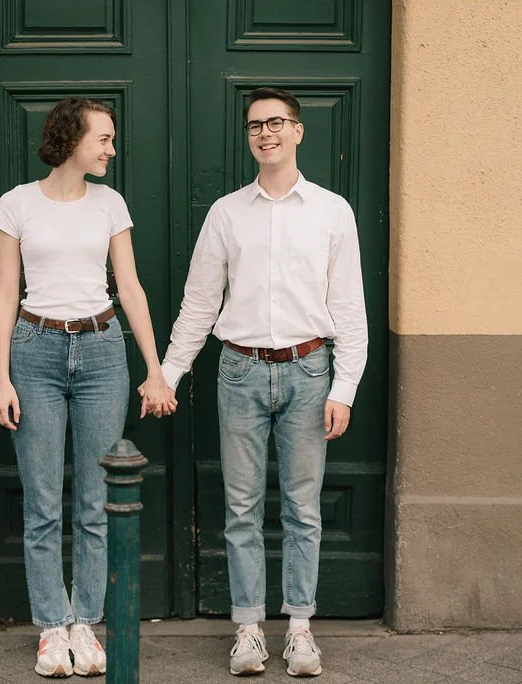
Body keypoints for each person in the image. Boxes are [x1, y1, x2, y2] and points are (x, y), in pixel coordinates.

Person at [157, 87, 368, 677]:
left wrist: (344, 387)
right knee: (242, 506)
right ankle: (248, 630)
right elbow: (199, 303)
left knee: (303, 508)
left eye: (276, 122)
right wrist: (169, 373)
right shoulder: (227, 213)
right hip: (240, 370)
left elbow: (349, 306)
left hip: (308, 371)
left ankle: (300, 630)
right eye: (254, 125)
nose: (265, 133)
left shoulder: (332, 211)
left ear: (299, 131)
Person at [0, 97, 177, 678]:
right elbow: (4, 293)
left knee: (97, 502)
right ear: (73, 139)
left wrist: (155, 367)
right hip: (34, 350)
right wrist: (1, 377)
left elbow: (132, 287)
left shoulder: (110, 203)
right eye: (103, 139)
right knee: (43, 500)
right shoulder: (16, 204)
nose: (111, 150)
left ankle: (86, 626)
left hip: (100, 351)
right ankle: (51, 627)